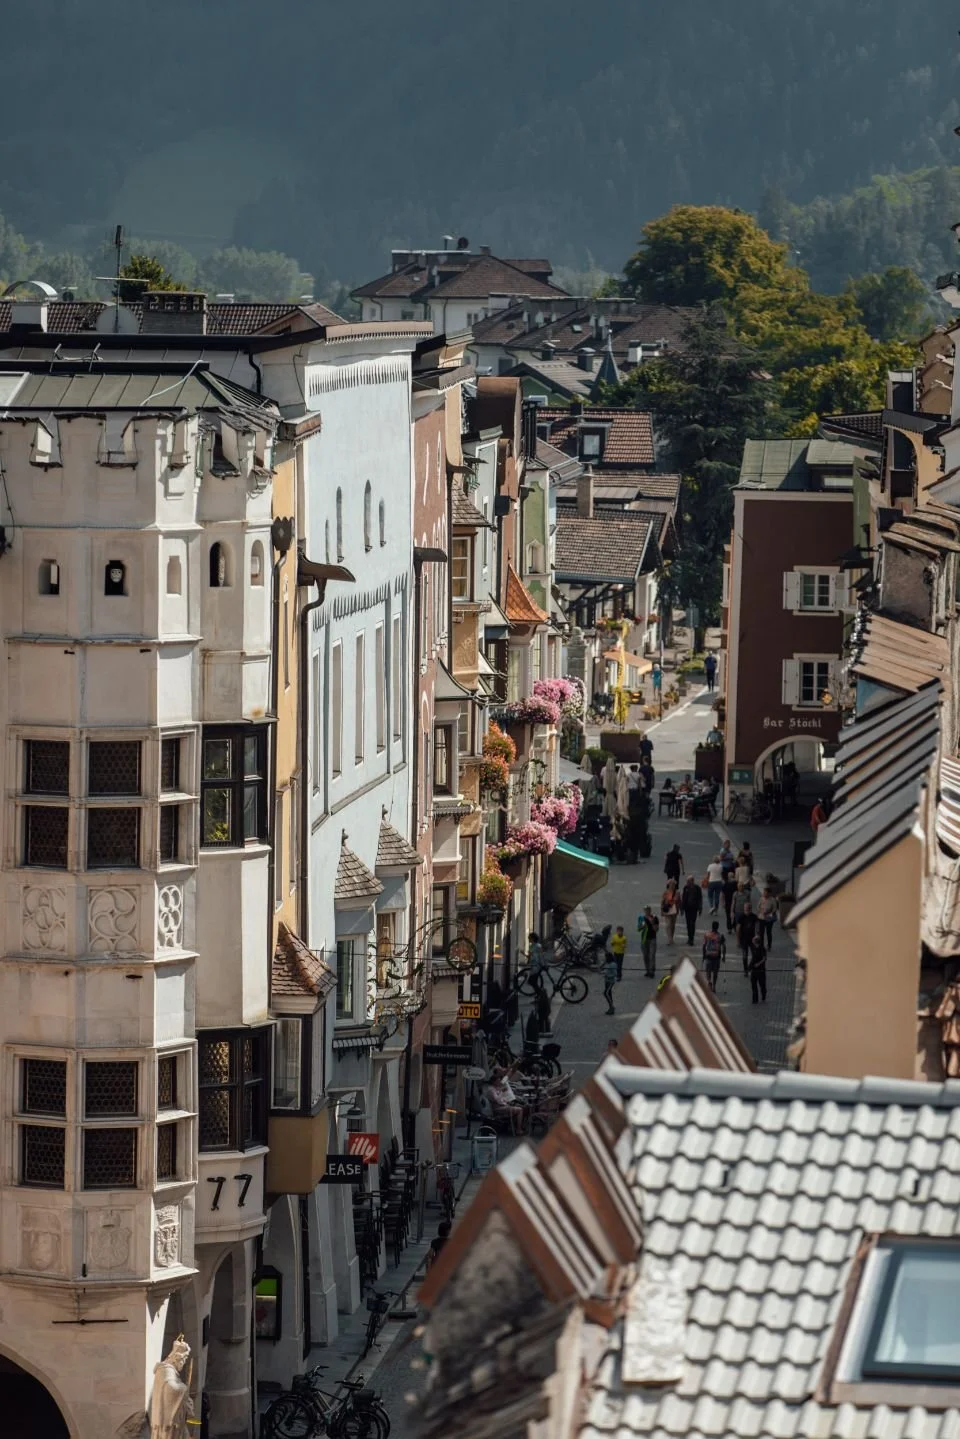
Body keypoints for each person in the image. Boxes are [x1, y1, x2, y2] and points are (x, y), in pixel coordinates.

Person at [488, 1066, 527, 1134]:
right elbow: (498, 1099)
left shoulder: (501, 1080)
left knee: (526, 1107)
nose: (503, 1070)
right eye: (500, 1070)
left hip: (507, 1102)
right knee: (522, 1108)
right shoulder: (500, 1083)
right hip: (505, 1103)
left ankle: (518, 1126)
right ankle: (518, 1128)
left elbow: (511, 1071)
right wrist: (512, 1066)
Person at [737, 901, 760, 976]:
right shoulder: (741, 917)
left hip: (752, 940)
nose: (746, 910)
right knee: (744, 956)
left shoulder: (754, 917)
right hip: (743, 940)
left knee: (755, 955)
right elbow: (738, 929)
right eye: (745, 908)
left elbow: (757, 926)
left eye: (748, 909)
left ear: (750, 909)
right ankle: (745, 970)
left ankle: (749, 968)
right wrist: (738, 941)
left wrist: (757, 935)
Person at [702, 921, 725, 990]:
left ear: (712, 926)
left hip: (708, 956)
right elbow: (724, 946)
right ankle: (714, 985)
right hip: (716, 957)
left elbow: (704, 945)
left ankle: (709, 981)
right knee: (715, 973)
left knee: (708, 971)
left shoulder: (707, 934)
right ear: (718, 927)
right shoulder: (721, 936)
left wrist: (703, 955)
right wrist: (724, 956)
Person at [680, 874, 703, 945]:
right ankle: (689, 937)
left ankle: (691, 938)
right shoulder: (685, 888)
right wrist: (682, 908)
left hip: (694, 908)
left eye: (688, 881)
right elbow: (683, 898)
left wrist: (700, 908)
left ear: (692, 881)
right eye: (687, 881)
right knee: (688, 923)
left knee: (692, 923)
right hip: (687, 908)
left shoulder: (697, 888)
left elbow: (700, 898)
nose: (687, 882)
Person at [747, 928, 767, 1003]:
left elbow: (764, 958)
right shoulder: (753, 948)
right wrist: (749, 967)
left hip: (761, 970)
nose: (752, 942)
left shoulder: (762, 949)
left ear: (756, 942)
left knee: (762, 984)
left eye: (753, 941)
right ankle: (755, 999)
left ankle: (763, 994)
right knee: (753, 984)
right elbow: (753, 959)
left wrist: (758, 964)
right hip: (754, 970)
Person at [638, 906, 659, 977]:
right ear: (644, 911)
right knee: (645, 955)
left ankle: (652, 971)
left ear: (650, 910)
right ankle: (647, 970)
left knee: (652, 955)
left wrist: (652, 923)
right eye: (645, 910)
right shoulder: (641, 918)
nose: (647, 911)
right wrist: (642, 926)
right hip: (644, 939)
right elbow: (639, 929)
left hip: (652, 938)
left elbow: (656, 929)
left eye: (648, 910)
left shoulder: (655, 918)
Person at [660, 879, 679, 944]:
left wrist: (680, 909)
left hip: (674, 910)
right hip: (667, 910)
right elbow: (662, 902)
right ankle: (669, 939)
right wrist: (661, 910)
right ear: (668, 885)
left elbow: (679, 901)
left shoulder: (677, 893)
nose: (672, 886)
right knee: (668, 924)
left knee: (672, 925)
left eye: (673, 884)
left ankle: (671, 937)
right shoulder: (665, 892)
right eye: (671, 884)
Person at [722, 865, 739, 933]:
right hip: (736, 902)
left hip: (728, 902)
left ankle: (729, 928)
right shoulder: (736, 884)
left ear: (728, 877)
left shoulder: (725, 884)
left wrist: (723, 902)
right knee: (735, 914)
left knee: (728, 915)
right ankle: (734, 926)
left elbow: (722, 894)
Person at [602, 947, 618, 1015]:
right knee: (609, 994)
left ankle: (612, 1007)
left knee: (606, 993)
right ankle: (610, 1007)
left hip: (610, 981)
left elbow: (615, 974)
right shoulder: (607, 963)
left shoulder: (613, 964)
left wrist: (607, 975)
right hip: (606, 981)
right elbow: (603, 969)